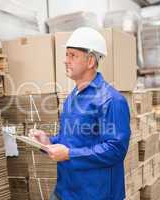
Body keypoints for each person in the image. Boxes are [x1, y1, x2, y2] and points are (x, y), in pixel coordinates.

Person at [29, 27, 131, 200]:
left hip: (95, 194)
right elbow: (71, 140)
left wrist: (69, 154)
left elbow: (115, 150)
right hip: (65, 190)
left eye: (72, 55)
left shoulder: (111, 100)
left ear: (90, 61)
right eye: (66, 55)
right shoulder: (72, 97)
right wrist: (47, 142)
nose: (65, 60)